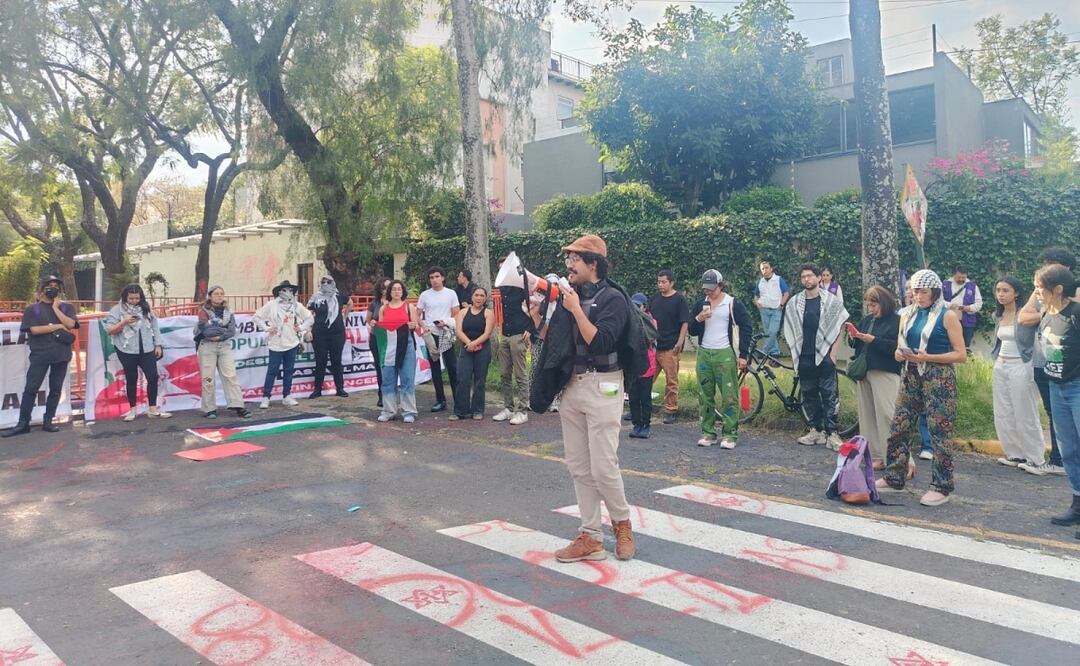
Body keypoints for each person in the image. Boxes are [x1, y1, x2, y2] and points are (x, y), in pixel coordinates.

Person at [552, 234, 635, 564]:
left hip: (605, 385)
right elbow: (562, 343)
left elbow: (601, 343)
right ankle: (590, 535)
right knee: (578, 465)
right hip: (573, 385)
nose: (569, 265)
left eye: (575, 259)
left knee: (603, 465)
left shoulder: (614, 298)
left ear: (593, 264)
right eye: (568, 259)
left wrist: (574, 310)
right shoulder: (572, 297)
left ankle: (622, 524)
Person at [875, 269, 966, 507]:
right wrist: (899, 352)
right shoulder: (907, 315)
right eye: (914, 291)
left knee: (940, 432)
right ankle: (895, 475)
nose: (918, 296)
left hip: (939, 376)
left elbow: (961, 354)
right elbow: (901, 344)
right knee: (899, 426)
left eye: (923, 291)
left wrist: (930, 357)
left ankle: (941, 486)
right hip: (911, 374)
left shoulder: (947, 316)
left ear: (935, 292)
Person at [1017, 246, 1075, 476]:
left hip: (1070, 369)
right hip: (1044, 361)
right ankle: (1059, 460)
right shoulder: (1042, 288)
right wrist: (1048, 312)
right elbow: (1023, 317)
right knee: (1054, 414)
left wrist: (1046, 313)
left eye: (1051, 263)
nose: (1046, 268)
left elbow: (1069, 314)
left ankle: (1062, 460)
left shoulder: (1075, 292)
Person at [1033, 265, 1080, 535]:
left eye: (1041, 287)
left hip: (1076, 387)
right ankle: (1077, 503)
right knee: (1069, 449)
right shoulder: (1045, 314)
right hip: (1056, 387)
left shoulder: (1076, 313)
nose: (1037, 292)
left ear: (1058, 289)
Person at [782, 264, 849, 450]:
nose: (806, 280)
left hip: (826, 355)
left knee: (829, 395)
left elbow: (840, 324)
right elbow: (790, 327)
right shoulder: (795, 302)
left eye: (810, 276)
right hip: (804, 356)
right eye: (803, 276)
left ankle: (833, 433)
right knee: (809, 394)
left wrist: (834, 353)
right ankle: (816, 431)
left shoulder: (831, 302)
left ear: (819, 278)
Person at [2, 276, 78, 437]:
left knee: (56, 389)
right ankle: (23, 423)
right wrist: (57, 326)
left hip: (61, 354)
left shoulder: (66, 308)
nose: (53, 288)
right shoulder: (33, 309)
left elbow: (71, 325)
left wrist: (56, 309)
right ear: (42, 289)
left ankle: (48, 420)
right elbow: (34, 330)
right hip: (40, 354)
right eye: (49, 285)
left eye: (56, 286)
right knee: (31, 388)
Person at [688, 270, 753, 449]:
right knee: (705, 395)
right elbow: (691, 330)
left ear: (721, 285)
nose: (708, 292)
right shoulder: (701, 304)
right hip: (704, 353)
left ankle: (730, 434)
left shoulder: (732, 303)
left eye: (712, 289)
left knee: (729, 396)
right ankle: (708, 432)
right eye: (706, 289)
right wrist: (699, 318)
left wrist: (743, 355)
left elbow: (747, 327)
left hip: (725, 353)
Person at [991, 276, 1045, 468]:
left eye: (1005, 290)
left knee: (1025, 411)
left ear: (1016, 293)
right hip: (1001, 365)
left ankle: (1035, 457)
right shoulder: (997, 316)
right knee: (1003, 410)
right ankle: (1014, 453)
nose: (1001, 294)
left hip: (1021, 365)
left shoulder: (1025, 314)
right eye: (998, 290)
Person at [847, 286, 901, 468]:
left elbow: (896, 348)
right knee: (867, 415)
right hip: (865, 372)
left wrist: (873, 341)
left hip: (885, 371)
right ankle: (876, 456)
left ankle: (895, 458)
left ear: (884, 302)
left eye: (874, 302)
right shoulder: (867, 320)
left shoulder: (897, 321)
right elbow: (858, 346)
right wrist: (854, 337)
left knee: (888, 414)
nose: (870, 306)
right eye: (868, 302)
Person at [104, 284, 171, 421]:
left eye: (137, 298)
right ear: (125, 297)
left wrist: (158, 344)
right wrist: (124, 322)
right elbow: (109, 330)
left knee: (152, 377)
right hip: (126, 349)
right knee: (131, 378)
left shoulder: (145, 308)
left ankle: (153, 409)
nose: (134, 301)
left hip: (147, 348)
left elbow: (155, 326)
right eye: (131, 298)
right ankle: (132, 410)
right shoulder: (117, 310)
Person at [253, 280, 313, 409]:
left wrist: (301, 327)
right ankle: (266, 397)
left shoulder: (296, 306)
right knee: (272, 371)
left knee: (289, 371)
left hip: (291, 342)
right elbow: (257, 317)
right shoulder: (271, 305)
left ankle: (287, 396)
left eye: (290, 290)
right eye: (285, 290)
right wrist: (267, 328)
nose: (288, 293)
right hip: (276, 343)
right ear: (279, 292)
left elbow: (310, 318)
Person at [194, 286, 251, 419]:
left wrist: (219, 334)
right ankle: (210, 408)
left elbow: (231, 331)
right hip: (207, 346)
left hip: (224, 345)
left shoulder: (228, 312)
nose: (219, 296)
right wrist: (221, 330)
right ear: (210, 296)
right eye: (216, 294)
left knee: (230, 375)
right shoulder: (203, 311)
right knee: (208, 378)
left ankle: (238, 405)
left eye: (221, 294)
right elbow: (206, 331)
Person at [373, 280, 421, 423]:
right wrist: (374, 325)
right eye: (393, 289)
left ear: (403, 291)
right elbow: (381, 329)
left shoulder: (409, 307)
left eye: (399, 289)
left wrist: (413, 325)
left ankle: (409, 411)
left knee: (407, 379)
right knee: (387, 379)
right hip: (388, 347)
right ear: (389, 292)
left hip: (406, 346)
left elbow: (416, 325)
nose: (396, 292)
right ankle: (388, 410)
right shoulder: (383, 308)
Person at [493, 258, 533, 425]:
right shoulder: (502, 288)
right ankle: (508, 408)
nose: (502, 271)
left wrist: (530, 329)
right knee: (504, 374)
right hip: (506, 333)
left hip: (519, 334)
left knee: (521, 374)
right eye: (500, 268)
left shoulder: (523, 285)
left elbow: (535, 306)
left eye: (505, 268)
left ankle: (523, 410)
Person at [648, 269, 690, 424]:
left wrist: (680, 342)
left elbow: (685, 322)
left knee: (671, 381)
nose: (660, 285)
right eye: (659, 282)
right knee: (646, 378)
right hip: (654, 346)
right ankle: (640, 407)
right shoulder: (654, 299)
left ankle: (670, 410)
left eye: (664, 282)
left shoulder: (679, 300)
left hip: (671, 347)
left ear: (671, 282)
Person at [418, 266, 460, 412]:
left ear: (442, 277)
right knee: (435, 368)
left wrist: (446, 322)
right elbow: (417, 314)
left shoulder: (451, 293)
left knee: (452, 367)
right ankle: (440, 400)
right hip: (431, 334)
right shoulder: (424, 295)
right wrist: (424, 326)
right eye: (431, 277)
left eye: (437, 276)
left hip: (446, 332)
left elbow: (456, 313)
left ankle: (458, 399)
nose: (434, 280)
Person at [451, 287, 495, 420]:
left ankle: (477, 410)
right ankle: (460, 410)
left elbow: (487, 333)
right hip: (466, 348)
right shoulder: (463, 312)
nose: (479, 298)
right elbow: (458, 331)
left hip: (483, 349)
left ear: (485, 298)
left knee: (479, 380)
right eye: (476, 295)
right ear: (472, 297)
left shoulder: (488, 313)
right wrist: (469, 343)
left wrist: (475, 343)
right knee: (463, 378)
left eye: (482, 295)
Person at [307, 276, 351, 399]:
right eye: (323, 282)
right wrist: (308, 329)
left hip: (337, 333)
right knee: (320, 361)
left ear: (333, 283)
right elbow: (308, 313)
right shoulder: (315, 297)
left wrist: (344, 317)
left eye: (329, 282)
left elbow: (350, 303)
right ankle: (317, 389)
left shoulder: (339, 296)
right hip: (319, 333)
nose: (326, 284)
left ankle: (340, 388)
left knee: (336, 361)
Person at [627, 293, 657, 439]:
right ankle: (636, 423)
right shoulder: (628, 320)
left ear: (644, 307)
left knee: (645, 397)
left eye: (638, 306)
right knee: (633, 397)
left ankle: (645, 424)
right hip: (632, 364)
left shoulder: (651, 321)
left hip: (647, 364)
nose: (635, 309)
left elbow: (649, 337)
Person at [753, 260, 790, 362]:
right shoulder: (760, 282)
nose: (765, 270)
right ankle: (775, 352)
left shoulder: (778, 279)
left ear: (771, 268)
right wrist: (757, 303)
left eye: (766, 267)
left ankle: (764, 351)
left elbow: (786, 293)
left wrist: (782, 304)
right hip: (764, 310)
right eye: (762, 268)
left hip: (776, 310)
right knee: (767, 332)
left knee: (773, 331)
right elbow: (756, 295)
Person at [367, 277, 392, 408]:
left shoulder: (397, 303)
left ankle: (392, 393)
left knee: (391, 366)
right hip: (377, 338)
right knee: (379, 366)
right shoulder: (375, 303)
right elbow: (368, 319)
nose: (386, 290)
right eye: (383, 287)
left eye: (388, 287)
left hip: (392, 338)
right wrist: (371, 323)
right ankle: (382, 394)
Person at [944, 265, 983, 349]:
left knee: (965, 345)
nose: (961, 279)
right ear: (953, 275)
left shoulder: (973, 286)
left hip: (967, 321)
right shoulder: (945, 285)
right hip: (949, 320)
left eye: (963, 277)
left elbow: (979, 303)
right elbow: (939, 301)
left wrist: (969, 308)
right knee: (949, 344)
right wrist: (950, 305)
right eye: (959, 277)